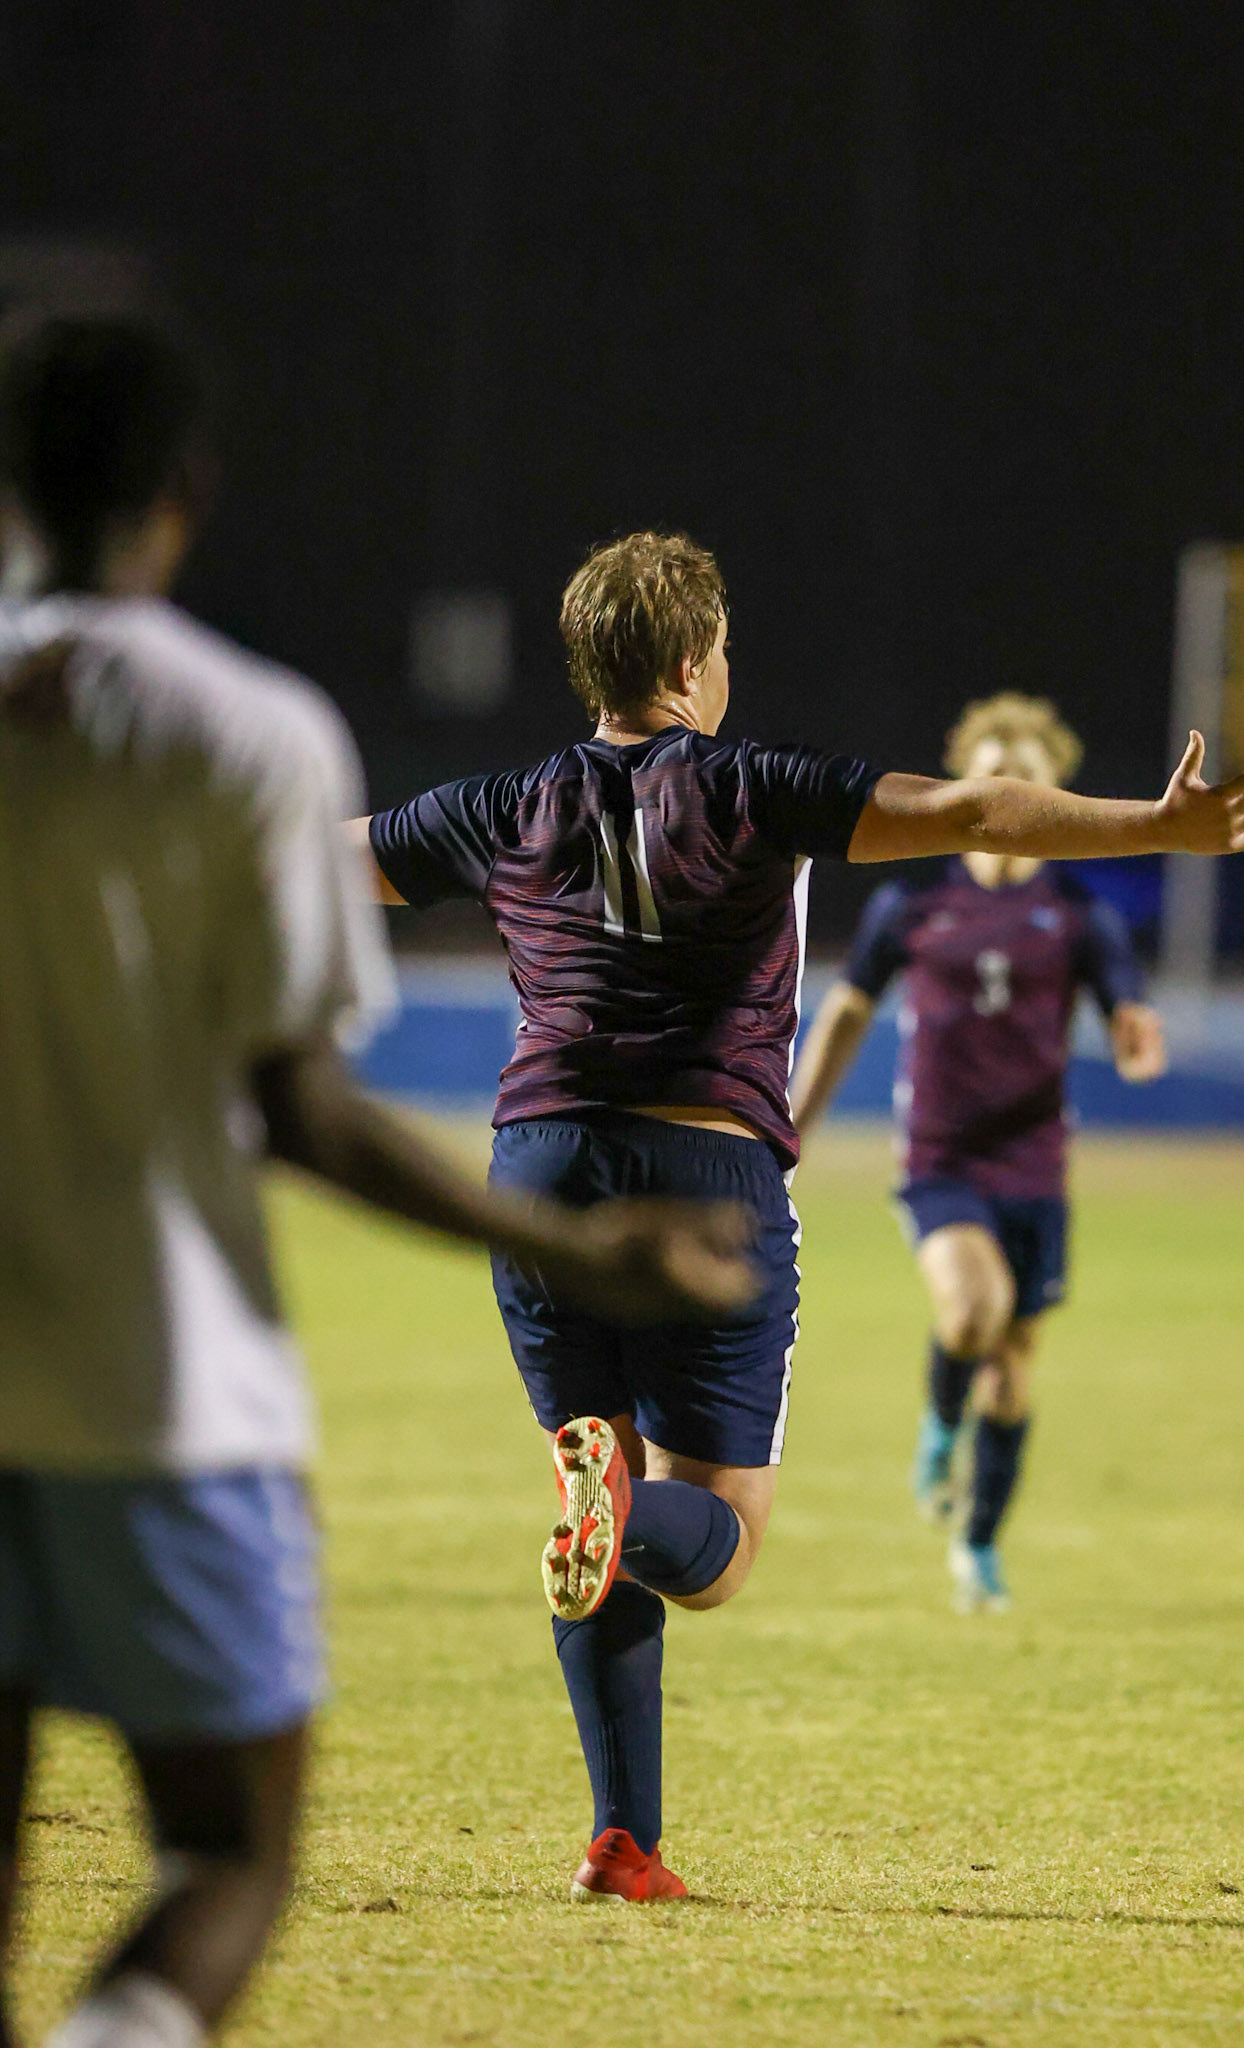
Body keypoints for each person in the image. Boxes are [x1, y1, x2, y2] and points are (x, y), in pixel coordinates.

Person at [0, 317, 754, 2048]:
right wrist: (570, 1242)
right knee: (222, 1856)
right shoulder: (246, 732)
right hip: (161, 1390)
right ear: (184, 495)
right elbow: (299, 1106)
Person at [359, 530, 1244, 1902]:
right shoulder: (754, 786)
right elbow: (978, 812)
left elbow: (314, 855)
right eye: (721, 648)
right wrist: (1158, 826)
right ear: (691, 665)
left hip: (539, 1166)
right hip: (704, 1173)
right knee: (714, 1539)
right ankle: (619, 1595)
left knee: (598, 1481)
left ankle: (626, 1838)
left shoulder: (500, 804)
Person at [790, 693, 1169, 1612]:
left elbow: (1127, 999)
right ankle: (937, 1422)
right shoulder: (913, 897)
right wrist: (791, 1121)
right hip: (940, 1157)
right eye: (992, 772)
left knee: (1014, 1361)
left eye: (1026, 776)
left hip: (1034, 1166)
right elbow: (846, 1009)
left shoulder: (1076, 908)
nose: (1008, 789)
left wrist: (1133, 1033)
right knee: (973, 1313)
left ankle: (979, 1545)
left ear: (1052, 791)